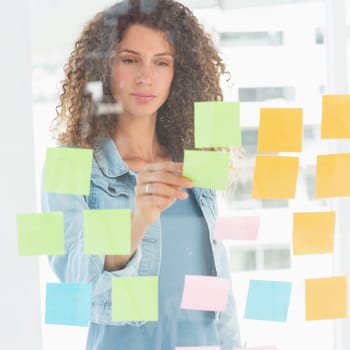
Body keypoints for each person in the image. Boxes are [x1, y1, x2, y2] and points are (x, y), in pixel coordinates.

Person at [42, 0, 241, 349]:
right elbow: (74, 286)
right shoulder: (68, 165)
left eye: (161, 62)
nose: (145, 77)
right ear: (105, 66)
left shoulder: (193, 163)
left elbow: (219, 289)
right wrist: (138, 220)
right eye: (130, 59)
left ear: (177, 73)